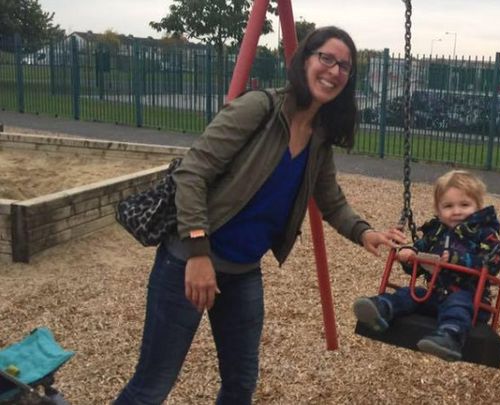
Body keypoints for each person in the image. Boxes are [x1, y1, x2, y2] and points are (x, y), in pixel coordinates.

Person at [114, 26, 401, 405]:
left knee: (240, 385)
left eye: (344, 66)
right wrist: (197, 254)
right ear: (305, 60)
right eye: (326, 58)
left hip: (243, 272)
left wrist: (364, 232)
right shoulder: (259, 108)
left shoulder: (319, 136)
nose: (334, 71)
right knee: (152, 386)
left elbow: (330, 200)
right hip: (188, 263)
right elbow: (192, 173)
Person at [353, 170, 500, 362]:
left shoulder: (484, 233)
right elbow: (418, 254)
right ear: (438, 210)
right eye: (448, 206)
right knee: (412, 293)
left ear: (478, 206)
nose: (456, 211)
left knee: (457, 302)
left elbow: (495, 262)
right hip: (436, 294)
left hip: (471, 300)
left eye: (464, 205)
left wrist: (456, 259)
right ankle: (381, 309)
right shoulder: (436, 232)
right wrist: (409, 256)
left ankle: (449, 338)